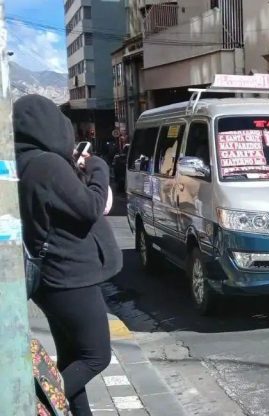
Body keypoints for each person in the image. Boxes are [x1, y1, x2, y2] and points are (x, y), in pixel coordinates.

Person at [14, 95, 123, 415]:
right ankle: (32, 403)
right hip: (70, 277)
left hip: (51, 276)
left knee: (71, 358)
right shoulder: (47, 165)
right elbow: (90, 207)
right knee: (95, 357)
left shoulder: (24, 162)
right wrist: (98, 166)